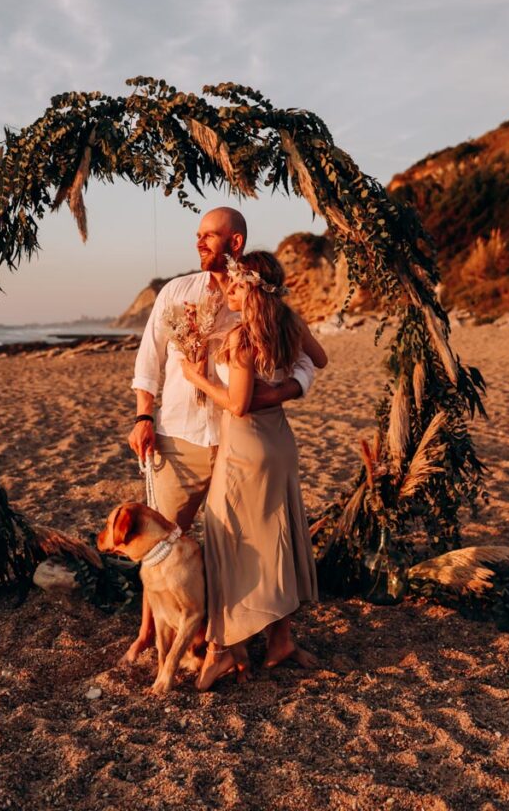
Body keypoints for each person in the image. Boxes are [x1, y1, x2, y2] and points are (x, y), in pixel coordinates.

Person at [124, 207, 317, 664]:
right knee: (161, 542)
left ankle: (257, 639)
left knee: (257, 539)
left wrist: (282, 393)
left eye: (208, 235)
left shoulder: (253, 296)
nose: (199, 242)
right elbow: (148, 359)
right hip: (181, 436)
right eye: (197, 234)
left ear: (234, 242)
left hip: (238, 440)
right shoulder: (176, 292)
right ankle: (149, 634)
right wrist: (143, 417)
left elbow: (305, 358)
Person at [181, 250, 327, 690]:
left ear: (250, 287)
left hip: (245, 449)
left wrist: (197, 377)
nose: (228, 288)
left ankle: (223, 649)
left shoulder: (242, 338)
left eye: (235, 283)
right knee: (277, 535)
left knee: (228, 539)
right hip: (280, 443)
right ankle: (279, 641)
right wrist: (290, 387)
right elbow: (318, 359)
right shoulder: (288, 324)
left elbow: (239, 405)